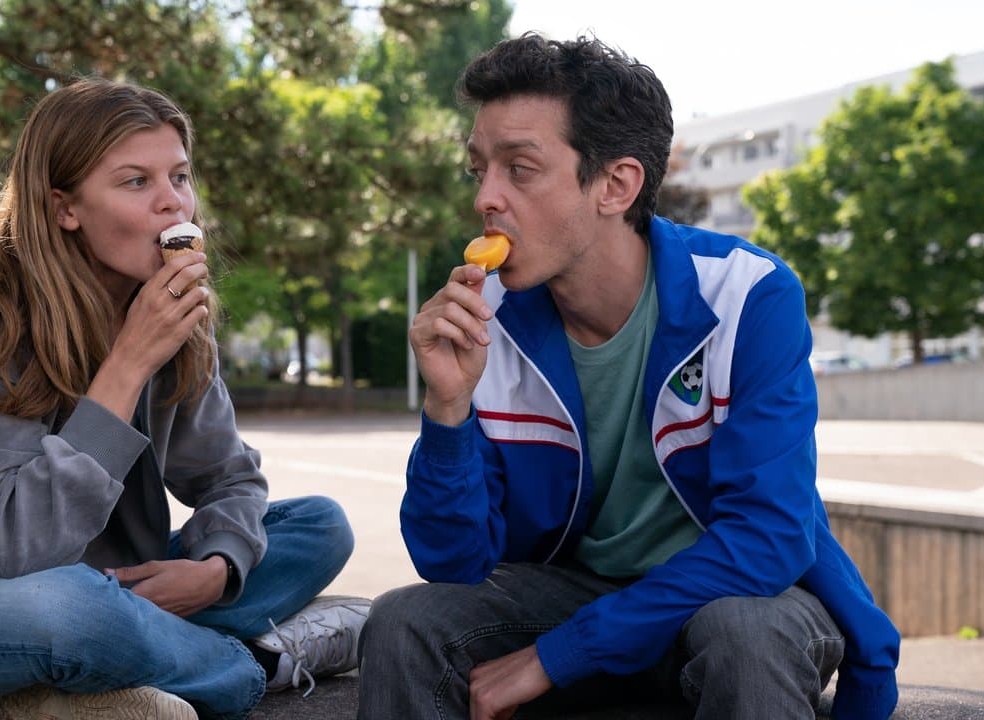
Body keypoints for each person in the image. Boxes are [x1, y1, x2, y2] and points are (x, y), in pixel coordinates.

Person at [357, 33, 899, 720]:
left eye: (519, 169)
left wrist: (559, 656)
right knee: (404, 621)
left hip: (735, 593)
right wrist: (447, 408)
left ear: (615, 185)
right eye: (478, 170)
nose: (486, 198)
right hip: (576, 588)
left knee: (743, 634)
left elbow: (767, 539)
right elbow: (455, 562)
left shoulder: (746, 295)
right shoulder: (486, 323)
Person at [0, 77, 370, 720]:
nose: (173, 205)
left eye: (180, 177)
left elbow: (230, 478)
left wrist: (219, 569)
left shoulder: (176, 317)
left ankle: (85, 674)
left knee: (318, 525)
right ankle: (256, 661)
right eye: (136, 182)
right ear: (65, 207)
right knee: (71, 611)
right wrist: (129, 361)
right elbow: (23, 549)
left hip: (109, 584)